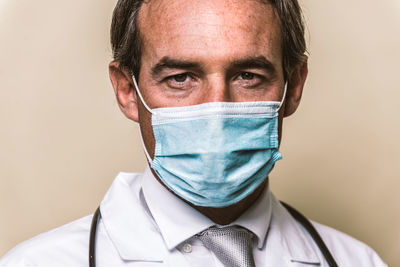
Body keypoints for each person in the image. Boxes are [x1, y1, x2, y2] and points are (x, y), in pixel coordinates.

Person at [0, 0, 388, 266]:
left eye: (248, 76)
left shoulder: (356, 261)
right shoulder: (39, 263)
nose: (216, 108)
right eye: (180, 77)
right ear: (126, 90)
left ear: (294, 87)